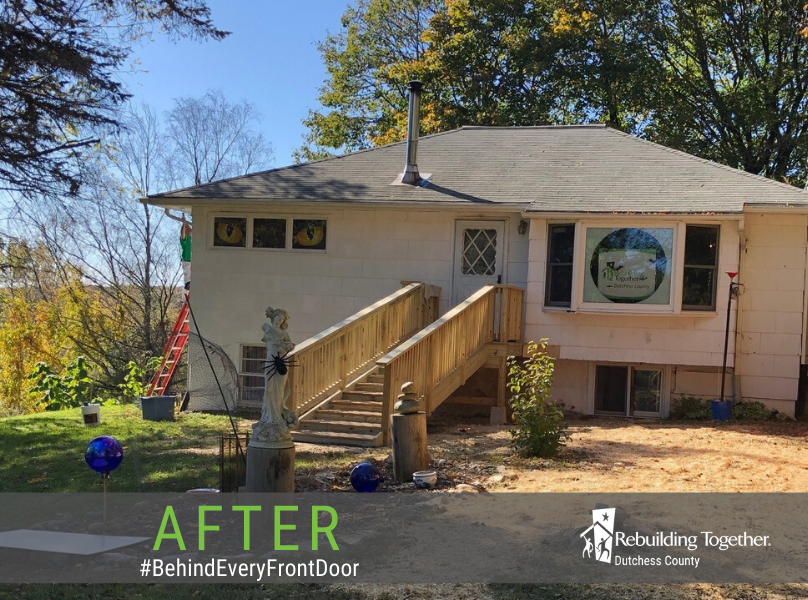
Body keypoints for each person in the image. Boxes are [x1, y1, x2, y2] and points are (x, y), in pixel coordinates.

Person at [180, 222, 192, 294]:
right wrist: (184, 224)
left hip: (193, 261)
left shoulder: (193, 239)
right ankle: (184, 295)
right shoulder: (186, 239)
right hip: (187, 260)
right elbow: (183, 233)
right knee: (188, 283)